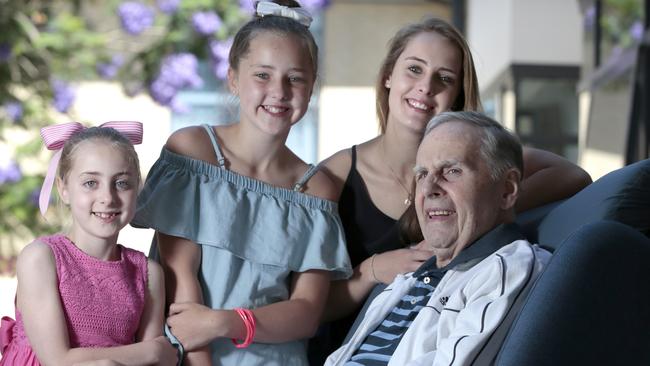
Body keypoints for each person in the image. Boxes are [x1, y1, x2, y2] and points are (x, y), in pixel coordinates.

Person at [313, 17, 591, 362]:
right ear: (388, 76)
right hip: (349, 343)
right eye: (414, 69)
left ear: (458, 95)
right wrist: (372, 270)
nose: (426, 87)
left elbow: (571, 174)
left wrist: (476, 214)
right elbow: (306, 306)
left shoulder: (480, 158)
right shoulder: (334, 174)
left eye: (444, 78)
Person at [131, 1, 351, 365]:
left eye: (295, 78)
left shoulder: (316, 190)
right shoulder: (192, 152)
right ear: (233, 78)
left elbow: (306, 312)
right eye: (262, 75)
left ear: (311, 88)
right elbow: (181, 292)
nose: (279, 91)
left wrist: (223, 322)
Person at [326, 111, 552, 365]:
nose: (428, 188)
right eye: (422, 174)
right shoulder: (407, 280)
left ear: (507, 190)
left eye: (452, 171)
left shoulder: (507, 269)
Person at [0, 122, 177, 366]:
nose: (107, 197)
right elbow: (57, 360)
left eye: (122, 183)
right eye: (90, 183)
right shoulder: (41, 258)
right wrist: (151, 352)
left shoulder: (148, 274)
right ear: (63, 189)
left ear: (137, 188)